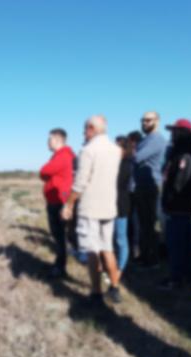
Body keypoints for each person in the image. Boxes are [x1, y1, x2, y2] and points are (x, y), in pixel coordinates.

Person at [61, 115, 122, 304]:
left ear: (91, 128)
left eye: (85, 130)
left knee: (92, 252)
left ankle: (96, 293)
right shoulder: (115, 149)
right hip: (109, 207)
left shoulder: (88, 150)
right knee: (108, 249)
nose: (83, 134)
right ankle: (114, 287)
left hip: (90, 208)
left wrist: (69, 204)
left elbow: (80, 183)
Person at [159, 119, 191, 290]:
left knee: (177, 244)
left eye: (176, 131)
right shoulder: (179, 152)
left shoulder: (186, 154)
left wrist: (169, 200)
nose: (172, 134)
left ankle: (177, 279)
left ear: (184, 133)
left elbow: (180, 183)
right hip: (179, 207)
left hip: (179, 207)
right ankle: (186, 277)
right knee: (183, 244)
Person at [132, 111, 167, 269]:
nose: (144, 123)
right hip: (142, 186)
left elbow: (137, 157)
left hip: (150, 187)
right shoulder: (147, 139)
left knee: (150, 224)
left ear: (157, 121)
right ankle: (145, 256)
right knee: (144, 224)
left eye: (148, 120)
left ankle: (152, 259)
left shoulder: (157, 139)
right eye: (143, 120)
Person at [39, 128, 75, 278]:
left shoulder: (63, 156)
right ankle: (60, 264)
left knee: (59, 235)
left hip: (58, 201)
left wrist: (46, 175)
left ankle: (60, 267)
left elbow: (43, 171)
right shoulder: (59, 155)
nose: (48, 142)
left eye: (50, 139)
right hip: (55, 200)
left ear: (58, 140)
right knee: (59, 235)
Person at [114, 136, 134, 272]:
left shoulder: (126, 164)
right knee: (114, 238)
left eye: (118, 147)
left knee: (121, 238)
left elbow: (118, 183)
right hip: (112, 204)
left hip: (121, 205)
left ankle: (121, 268)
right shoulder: (116, 163)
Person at [127, 130, 143, 260]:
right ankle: (132, 250)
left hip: (137, 193)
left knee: (136, 223)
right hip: (129, 193)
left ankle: (137, 251)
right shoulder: (130, 157)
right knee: (131, 223)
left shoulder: (139, 156)